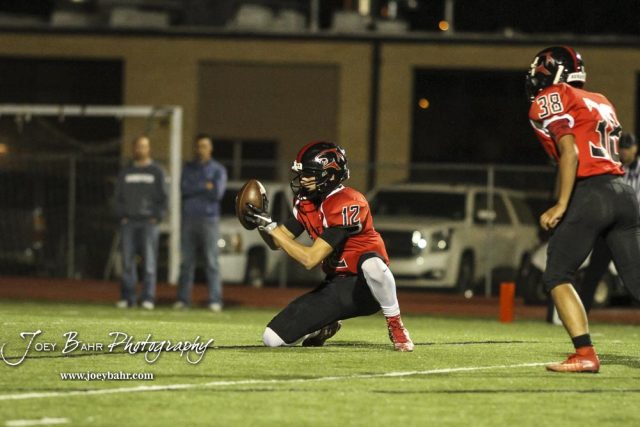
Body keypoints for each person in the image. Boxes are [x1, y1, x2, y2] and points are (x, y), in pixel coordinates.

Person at [526, 46, 640, 372]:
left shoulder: (552, 96)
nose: (536, 78)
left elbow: (571, 151)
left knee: (557, 275)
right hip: (623, 192)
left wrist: (561, 204)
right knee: (637, 281)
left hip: (592, 192)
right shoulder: (601, 99)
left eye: (540, 71)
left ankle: (585, 353)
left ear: (554, 72)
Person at [244, 141, 414, 351]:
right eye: (302, 173)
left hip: (367, 286)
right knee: (272, 339)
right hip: (338, 285)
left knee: (372, 265)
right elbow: (276, 242)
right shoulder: (307, 203)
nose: (303, 179)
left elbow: (310, 259)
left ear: (330, 175)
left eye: (309, 174)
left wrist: (271, 227)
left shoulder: (348, 202)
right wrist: (262, 224)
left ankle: (395, 325)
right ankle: (323, 327)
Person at [567, 133, 640, 315]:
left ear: (635, 148)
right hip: (609, 228)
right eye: (622, 148)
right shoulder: (613, 168)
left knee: (634, 275)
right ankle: (580, 316)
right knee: (594, 272)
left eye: (627, 148)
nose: (624, 152)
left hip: (633, 230)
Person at [174, 134, 227, 311]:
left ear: (210, 148)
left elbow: (217, 193)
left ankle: (215, 300)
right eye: (199, 146)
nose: (201, 149)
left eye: (205, 146)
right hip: (189, 218)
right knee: (186, 262)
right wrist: (205, 186)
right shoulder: (188, 168)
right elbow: (184, 189)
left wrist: (197, 187)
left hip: (209, 219)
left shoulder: (218, 169)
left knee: (211, 261)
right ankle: (183, 300)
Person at [114, 135, 167, 310]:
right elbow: (117, 197)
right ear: (133, 149)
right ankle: (128, 297)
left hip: (148, 223)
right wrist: (122, 215)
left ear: (149, 149)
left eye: (144, 146)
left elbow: (164, 197)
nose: (140, 149)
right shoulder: (126, 172)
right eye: (138, 146)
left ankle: (147, 298)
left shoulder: (157, 171)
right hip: (129, 222)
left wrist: (157, 216)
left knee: (149, 262)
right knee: (127, 262)